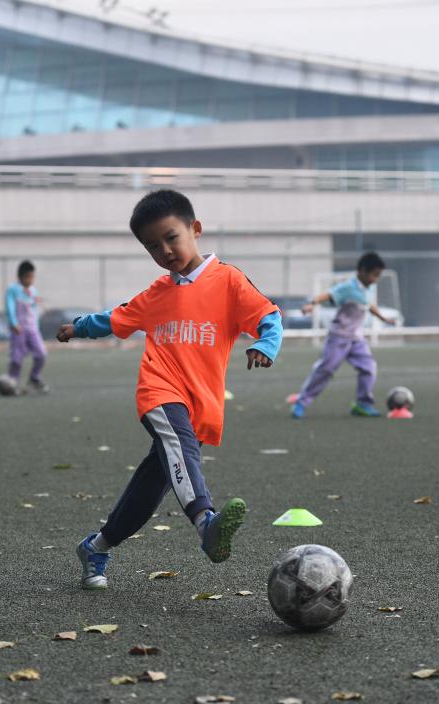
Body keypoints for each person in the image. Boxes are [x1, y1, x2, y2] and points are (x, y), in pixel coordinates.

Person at [57, 189, 283, 589]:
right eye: (152, 246)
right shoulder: (157, 294)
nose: (164, 250)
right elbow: (115, 318)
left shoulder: (228, 281)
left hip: (200, 404)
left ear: (195, 229)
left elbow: (268, 316)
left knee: (150, 488)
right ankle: (206, 523)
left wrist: (265, 344)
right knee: (179, 446)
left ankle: (97, 545)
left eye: (171, 237)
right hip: (159, 393)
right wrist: (78, 327)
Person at [289, 252, 394, 419]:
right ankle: (301, 401)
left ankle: (363, 404)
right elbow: (328, 294)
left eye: (378, 275)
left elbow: (369, 304)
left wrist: (383, 317)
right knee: (326, 370)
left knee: (369, 368)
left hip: (357, 339)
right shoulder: (348, 287)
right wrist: (312, 304)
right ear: (362, 271)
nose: (375, 279)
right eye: (374, 275)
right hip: (339, 337)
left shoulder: (370, 287)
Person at [4, 260, 49, 393]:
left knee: (41, 354)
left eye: (32, 276)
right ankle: (12, 381)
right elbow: (10, 307)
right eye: (28, 277)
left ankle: (34, 377)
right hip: (19, 329)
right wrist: (13, 323)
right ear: (20, 277)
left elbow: (33, 310)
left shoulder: (33, 291)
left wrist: (37, 323)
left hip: (32, 329)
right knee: (17, 358)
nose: (31, 280)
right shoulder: (12, 289)